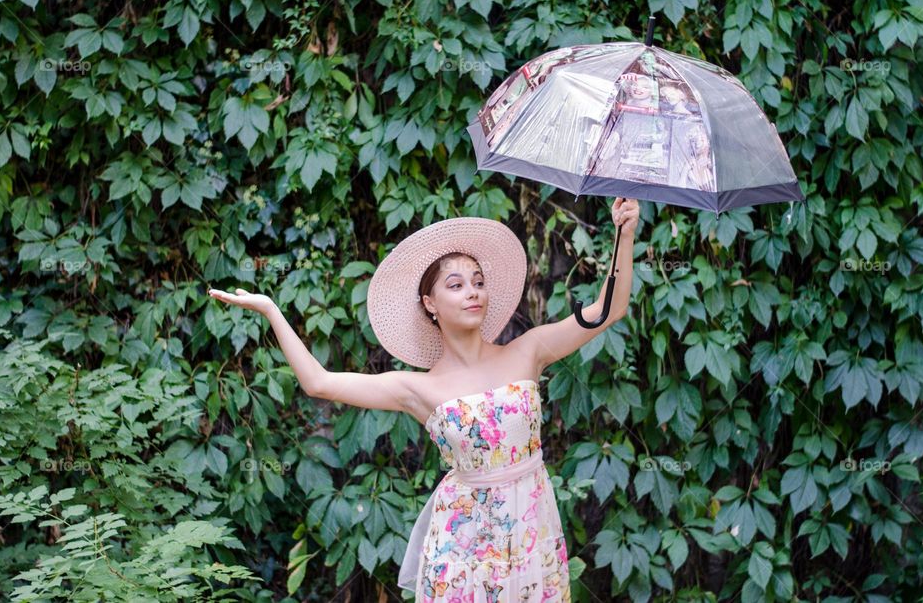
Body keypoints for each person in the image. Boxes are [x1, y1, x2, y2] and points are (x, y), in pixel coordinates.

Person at [207, 200, 641, 602]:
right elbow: (318, 382)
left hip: (531, 530)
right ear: (430, 303)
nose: (472, 291)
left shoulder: (528, 350)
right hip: (464, 545)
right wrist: (271, 310)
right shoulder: (417, 388)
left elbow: (609, 308)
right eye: (456, 284)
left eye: (478, 282)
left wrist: (625, 233)